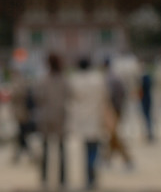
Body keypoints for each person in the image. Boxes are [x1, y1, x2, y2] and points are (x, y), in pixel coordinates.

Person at [67, 56, 108, 190]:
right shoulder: (98, 79)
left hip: (81, 119)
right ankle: (92, 171)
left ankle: (88, 176)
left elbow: (71, 100)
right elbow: (104, 98)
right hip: (95, 117)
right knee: (94, 147)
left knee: (85, 148)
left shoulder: (74, 80)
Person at [35, 52, 70, 191]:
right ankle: (62, 180)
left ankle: (44, 178)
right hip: (60, 116)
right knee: (61, 150)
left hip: (45, 117)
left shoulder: (43, 80)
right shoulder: (64, 79)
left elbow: (38, 98)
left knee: (45, 149)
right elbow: (69, 96)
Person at [103, 56, 134, 168]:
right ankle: (107, 158)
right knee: (112, 135)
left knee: (114, 135)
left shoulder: (108, 79)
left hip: (112, 110)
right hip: (117, 109)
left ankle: (127, 159)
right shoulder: (116, 78)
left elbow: (108, 96)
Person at [8, 64, 37, 164]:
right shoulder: (21, 83)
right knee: (22, 134)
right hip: (21, 112)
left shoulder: (19, 84)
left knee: (22, 134)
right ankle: (21, 155)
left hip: (22, 112)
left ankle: (25, 155)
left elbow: (19, 97)